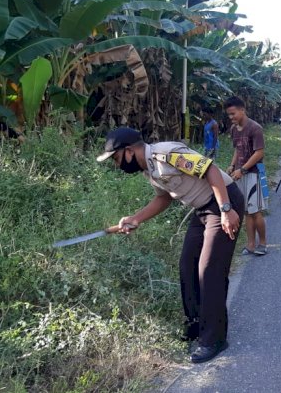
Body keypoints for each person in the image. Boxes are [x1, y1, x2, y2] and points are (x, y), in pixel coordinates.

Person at [96, 127, 243, 364]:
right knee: (187, 266)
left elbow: (210, 170)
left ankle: (214, 339)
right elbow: (163, 198)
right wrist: (135, 219)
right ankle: (196, 325)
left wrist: (226, 210)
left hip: (224, 202)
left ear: (129, 151)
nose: (116, 164)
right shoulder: (151, 170)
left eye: (116, 158)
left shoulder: (166, 155)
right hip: (202, 210)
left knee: (210, 270)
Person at [224, 96, 268, 256]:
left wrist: (242, 169)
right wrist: (232, 165)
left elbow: (259, 153)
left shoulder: (255, 128)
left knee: (256, 212)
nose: (231, 117)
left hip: (254, 174)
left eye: (233, 113)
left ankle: (262, 243)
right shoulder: (234, 129)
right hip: (240, 173)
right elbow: (237, 149)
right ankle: (250, 244)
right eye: (229, 115)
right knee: (246, 212)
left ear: (242, 110)